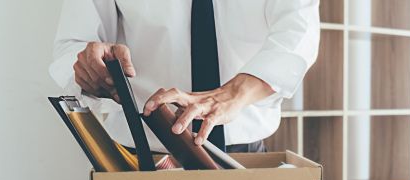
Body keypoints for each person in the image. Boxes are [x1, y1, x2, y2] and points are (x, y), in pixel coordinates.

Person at [50, 0, 320, 153]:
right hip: (140, 158)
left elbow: (298, 34)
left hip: (244, 157)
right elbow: (72, 46)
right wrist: (93, 67)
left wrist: (232, 94)